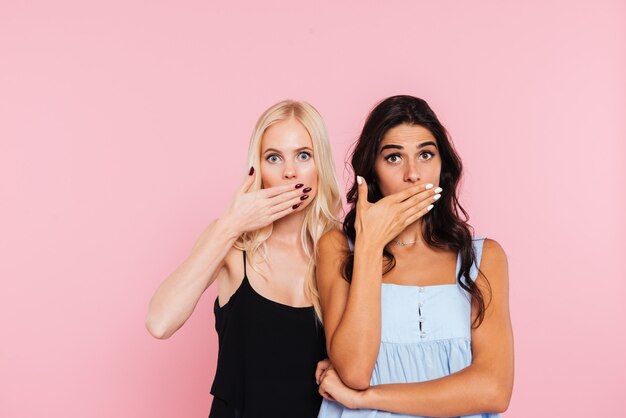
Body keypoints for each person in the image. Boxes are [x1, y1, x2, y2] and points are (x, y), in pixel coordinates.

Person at [315, 95, 514, 417]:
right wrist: (369, 244)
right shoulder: (338, 248)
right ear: (372, 171)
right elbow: (354, 371)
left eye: (425, 155)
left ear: (443, 166)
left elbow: (493, 389)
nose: (412, 174)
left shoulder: (483, 257)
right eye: (393, 158)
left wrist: (367, 399)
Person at [145, 100, 342, 418]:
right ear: (258, 168)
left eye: (303, 155)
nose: (289, 171)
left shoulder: (340, 252)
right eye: (273, 158)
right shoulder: (233, 245)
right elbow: (159, 322)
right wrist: (231, 224)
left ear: (321, 165)